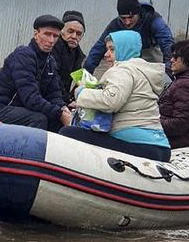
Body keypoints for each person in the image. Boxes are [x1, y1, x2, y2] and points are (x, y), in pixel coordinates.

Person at [59, 29, 171, 161]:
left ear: (124, 49)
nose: (106, 54)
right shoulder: (141, 71)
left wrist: (82, 92)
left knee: (68, 133)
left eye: (112, 50)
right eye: (107, 49)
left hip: (139, 146)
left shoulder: (123, 70)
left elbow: (111, 101)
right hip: (159, 147)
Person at [0, 14, 73, 131]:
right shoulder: (23, 55)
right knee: (39, 119)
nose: (51, 40)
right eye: (47, 34)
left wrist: (63, 109)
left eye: (55, 36)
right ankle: (29, 149)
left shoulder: (50, 62)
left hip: (19, 109)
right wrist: (59, 114)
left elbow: (53, 94)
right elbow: (31, 99)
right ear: (36, 34)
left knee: (57, 120)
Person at [84, 0, 174, 74]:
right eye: (123, 18)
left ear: (138, 13)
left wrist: (169, 71)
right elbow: (98, 49)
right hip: (127, 56)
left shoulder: (154, 20)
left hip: (150, 53)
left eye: (131, 17)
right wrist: (85, 75)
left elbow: (168, 45)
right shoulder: (115, 24)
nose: (127, 22)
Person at [52, 10, 86, 105]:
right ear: (61, 31)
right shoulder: (53, 48)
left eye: (79, 34)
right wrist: (67, 100)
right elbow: (55, 79)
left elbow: (79, 80)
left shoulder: (78, 54)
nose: (74, 36)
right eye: (70, 31)